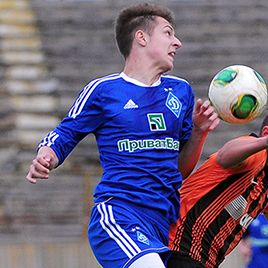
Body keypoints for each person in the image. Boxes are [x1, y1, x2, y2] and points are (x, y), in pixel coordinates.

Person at [26, 3, 219, 268]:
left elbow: (180, 170)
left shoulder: (181, 92)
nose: (177, 42)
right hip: (119, 216)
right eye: (168, 33)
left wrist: (198, 132)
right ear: (141, 37)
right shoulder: (104, 90)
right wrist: (45, 155)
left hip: (161, 225)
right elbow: (65, 132)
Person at [168, 115, 268, 268]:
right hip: (178, 245)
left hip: (202, 260)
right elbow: (224, 156)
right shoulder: (257, 154)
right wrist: (264, 142)